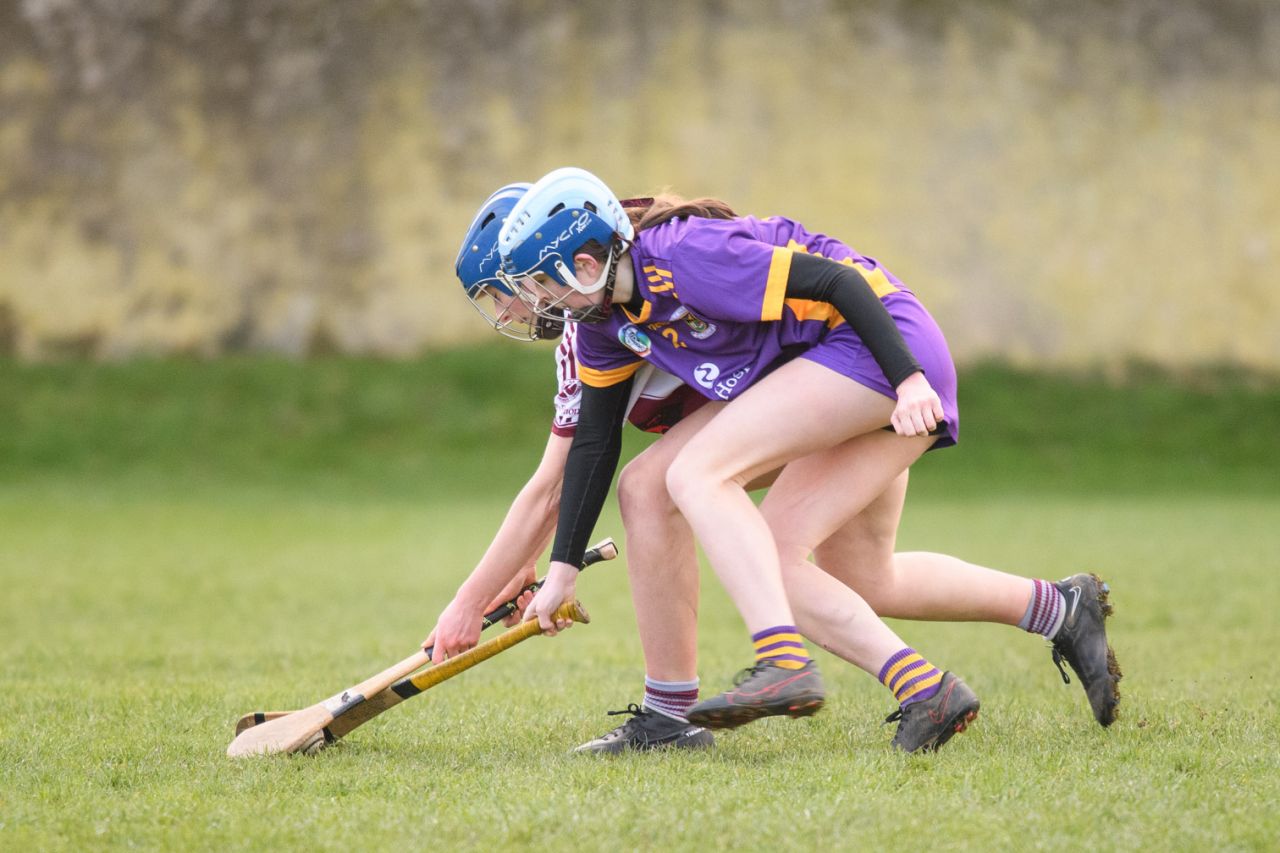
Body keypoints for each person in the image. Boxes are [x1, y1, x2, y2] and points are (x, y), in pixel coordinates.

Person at [496, 167, 1122, 751]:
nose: (540, 304)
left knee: (698, 473)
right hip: (827, 374)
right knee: (851, 576)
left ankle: (783, 662)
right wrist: (562, 572)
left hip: (878, 350)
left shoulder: (686, 256)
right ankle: (1024, 630)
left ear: (584, 263)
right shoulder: (605, 324)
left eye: (542, 286)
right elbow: (596, 446)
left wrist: (908, 381)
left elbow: (839, 283)